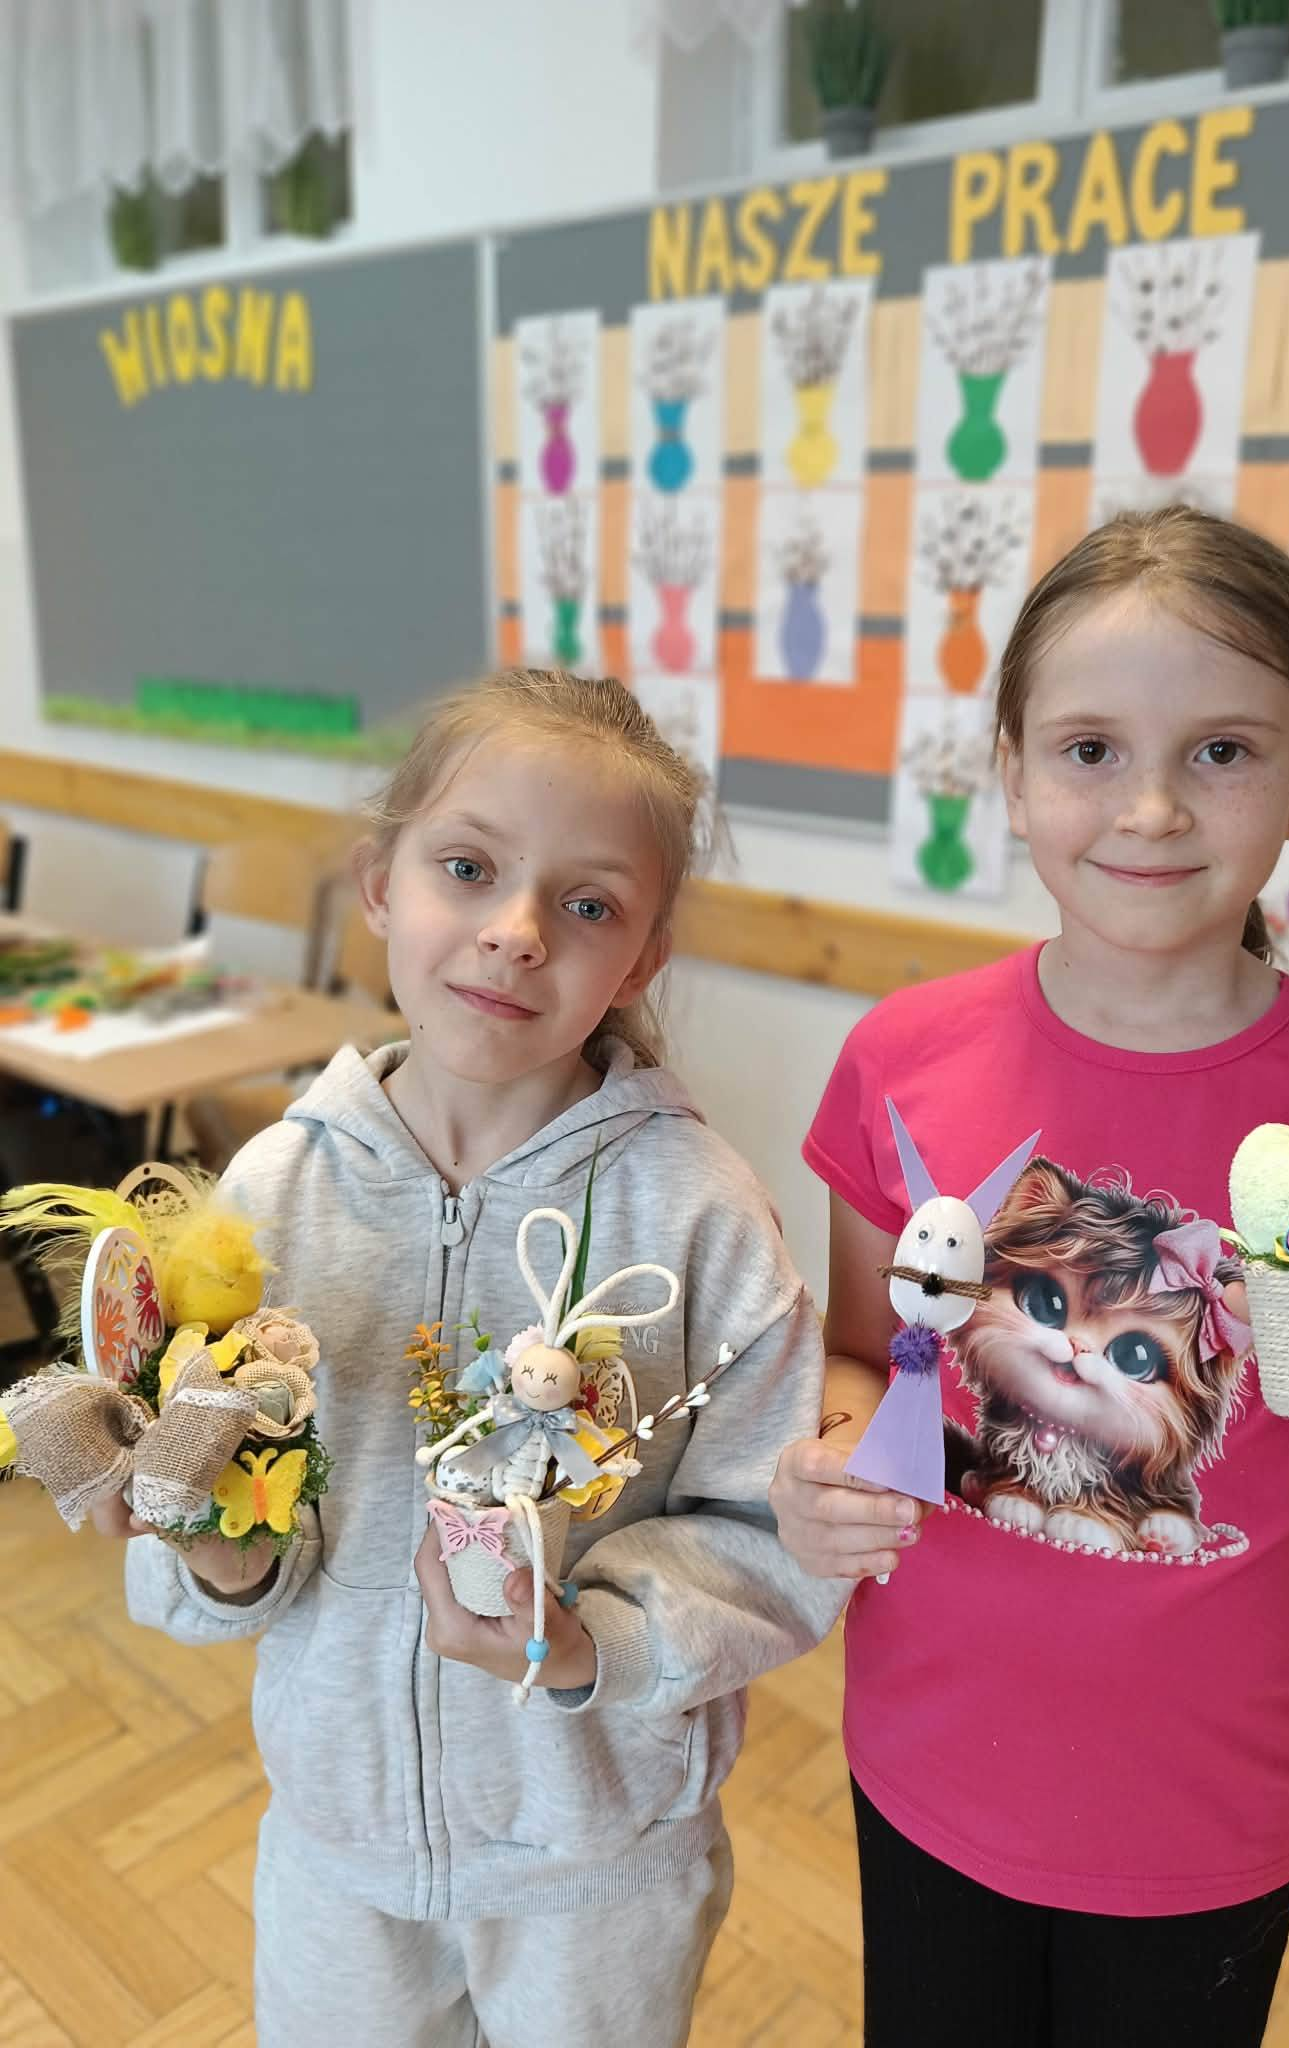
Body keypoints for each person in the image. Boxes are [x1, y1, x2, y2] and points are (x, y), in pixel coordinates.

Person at [770, 509, 1289, 2047]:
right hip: (931, 1744)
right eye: (1091, 749)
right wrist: (828, 1465)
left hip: (1209, 1798)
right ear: (1013, 769)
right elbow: (862, 1365)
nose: (1153, 809)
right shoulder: (902, 1058)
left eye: (1223, 751)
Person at [97, 668, 845, 2047]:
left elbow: (765, 1537)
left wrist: (590, 1641)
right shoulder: (270, 1194)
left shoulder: (699, 1215)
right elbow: (227, 1525)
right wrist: (218, 1551)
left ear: (644, 957)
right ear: (380, 885)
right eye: (468, 868)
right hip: (338, 1851)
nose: (515, 933)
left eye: (589, 905)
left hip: (601, 1867)